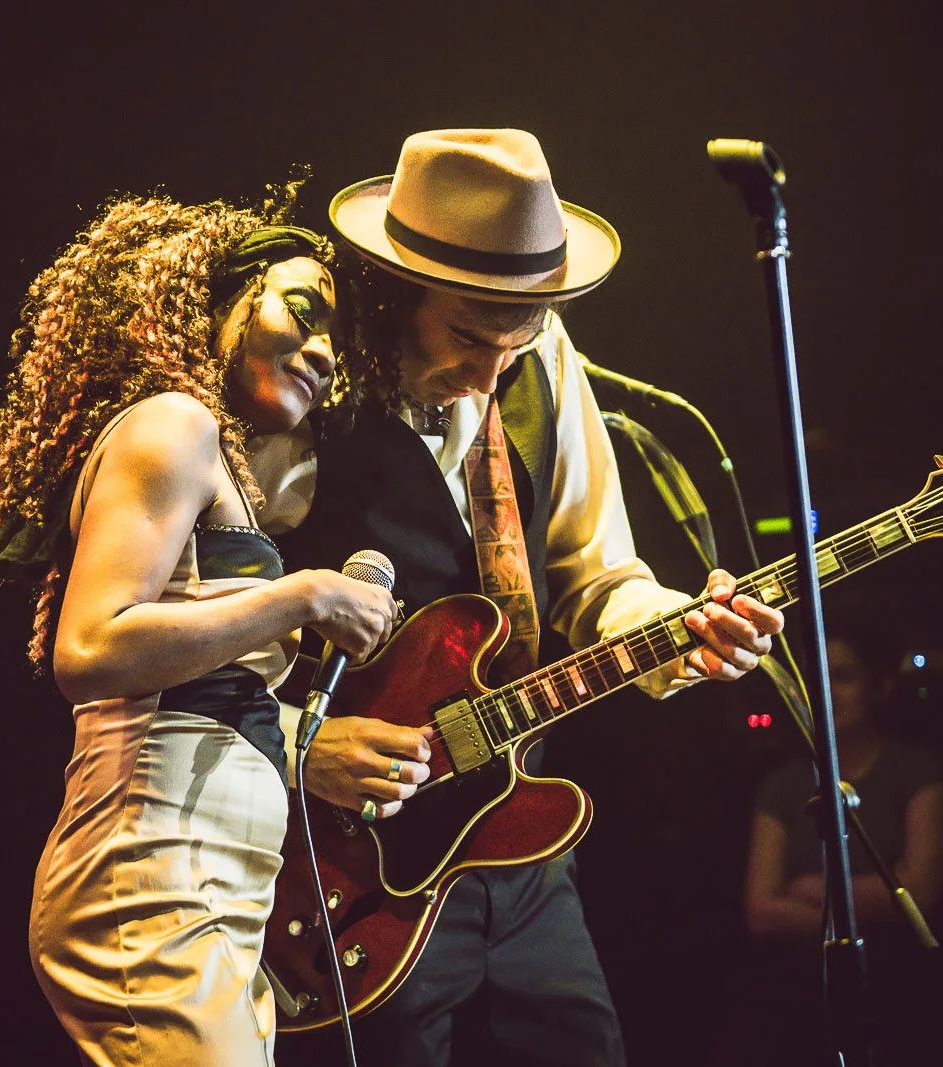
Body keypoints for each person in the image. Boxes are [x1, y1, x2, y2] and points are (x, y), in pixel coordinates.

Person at [249, 128, 786, 1066]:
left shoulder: (541, 356)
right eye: (465, 335)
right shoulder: (300, 379)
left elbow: (601, 577)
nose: (492, 370)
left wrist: (680, 633)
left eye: (518, 337)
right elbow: (177, 629)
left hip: (519, 839)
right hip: (345, 865)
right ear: (392, 290)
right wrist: (300, 746)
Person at [0, 189, 398, 1066]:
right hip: (152, 867)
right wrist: (304, 596)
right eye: (301, 309)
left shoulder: (224, 470)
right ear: (217, 296)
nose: (322, 351)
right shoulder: (175, 423)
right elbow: (89, 649)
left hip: (212, 891)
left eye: (336, 346)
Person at [724, 614, 943, 1066]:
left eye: (843, 677)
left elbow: (919, 897)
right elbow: (761, 913)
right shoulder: (782, 786)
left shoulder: (920, 770)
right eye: (816, 678)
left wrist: (810, 890)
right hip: (802, 986)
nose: (826, 693)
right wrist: (868, 912)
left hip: (902, 981)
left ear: (880, 686)